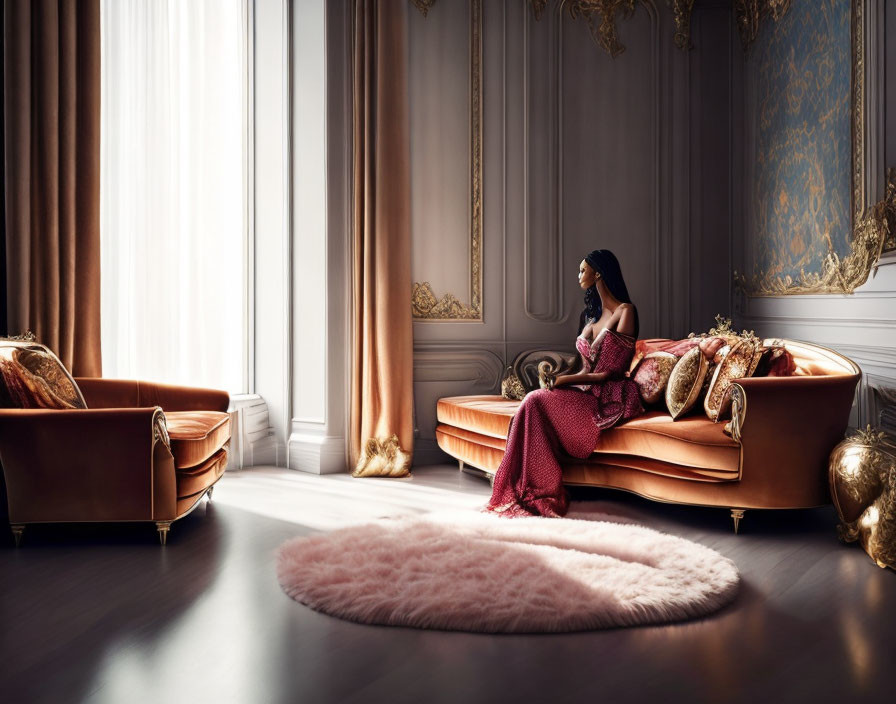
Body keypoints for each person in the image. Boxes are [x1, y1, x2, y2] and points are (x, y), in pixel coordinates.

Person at [485, 249, 644, 517]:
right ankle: (528, 487)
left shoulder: (625, 311)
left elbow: (607, 373)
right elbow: (583, 366)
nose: (579, 275)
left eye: (583, 270)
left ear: (599, 273)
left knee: (534, 400)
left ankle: (542, 490)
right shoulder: (591, 317)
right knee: (532, 403)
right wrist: (557, 377)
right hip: (583, 391)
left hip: (605, 396)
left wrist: (562, 380)